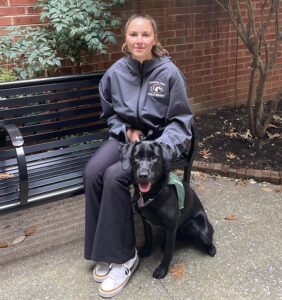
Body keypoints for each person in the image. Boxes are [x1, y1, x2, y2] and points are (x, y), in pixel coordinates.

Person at [83, 14, 193, 298]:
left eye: (145, 35)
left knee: (115, 177)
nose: (139, 40)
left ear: (155, 38)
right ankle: (104, 250)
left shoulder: (169, 74)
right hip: (125, 139)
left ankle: (124, 257)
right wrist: (126, 131)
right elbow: (109, 114)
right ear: (126, 38)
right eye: (134, 34)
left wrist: (157, 147)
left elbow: (181, 122)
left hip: (155, 145)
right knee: (94, 171)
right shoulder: (116, 72)